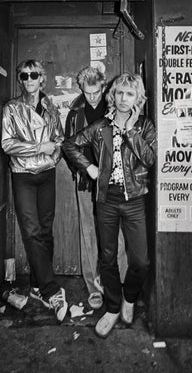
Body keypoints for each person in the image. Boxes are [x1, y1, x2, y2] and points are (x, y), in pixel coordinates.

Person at [63, 73, 156, 338]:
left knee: (141, 261)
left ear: (138, 98)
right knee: (107, 257)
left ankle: (129, 297)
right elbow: (70, 146)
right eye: (120, 93)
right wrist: (90, 167)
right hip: (106, 200)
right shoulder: (102, 125)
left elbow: (149, 159)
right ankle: (113, 307)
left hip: (135, 200)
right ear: (112, 95)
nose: (124, 99)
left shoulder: (145, 126)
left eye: (130, 94)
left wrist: (131, 131)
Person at [1, 59, 68, 323]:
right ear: (20, 80)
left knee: (45, 230)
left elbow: (59, 139)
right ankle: (52, 291)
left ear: (43, 78)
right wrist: (39, 149)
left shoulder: (51, 107)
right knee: (31, 231)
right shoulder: (12, 108)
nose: (29, 79)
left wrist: (54, 156)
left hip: (47, 174)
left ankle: (39, 287)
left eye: (34, 75)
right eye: (24, 75)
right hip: (23, 176)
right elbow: (7, 144)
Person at [65, 66, 127, 311]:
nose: (92, 97)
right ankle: (94, 288)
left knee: (118, 234)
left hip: (114, 182)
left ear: (103, 87)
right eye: (87, 92)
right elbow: (70, 149)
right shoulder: (75, 112)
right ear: (82, 89)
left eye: (96, 91)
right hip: (86, 181)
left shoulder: (115, 108)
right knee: (88, 234)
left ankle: (118, 284)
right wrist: (83, 171)